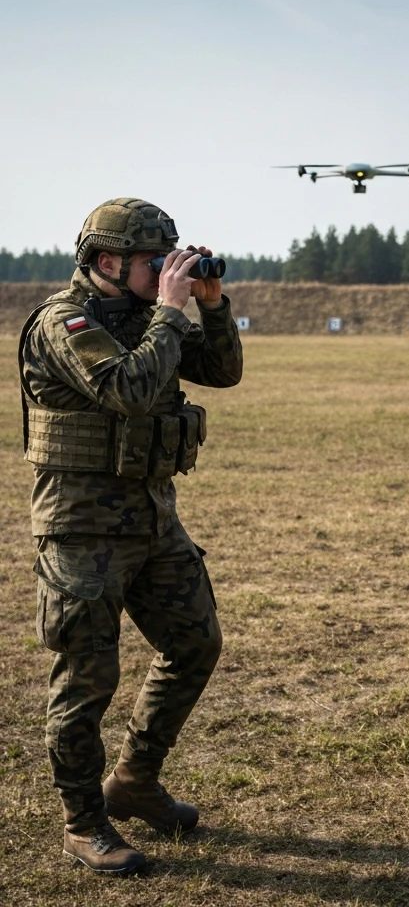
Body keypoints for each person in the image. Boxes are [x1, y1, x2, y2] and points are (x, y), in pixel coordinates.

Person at [19, 197, 243, 876]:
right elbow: (130, 390)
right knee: (86, 682)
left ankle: (135, 781)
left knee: (195, 641)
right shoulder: (66, 323)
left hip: (150, 520)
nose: (165, 269)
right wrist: (171, 315)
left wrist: (209, 302)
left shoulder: (151, 318)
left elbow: (224, 370)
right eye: (155, 260)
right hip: (80, 532)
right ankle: (83, 823)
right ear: (107, 262)